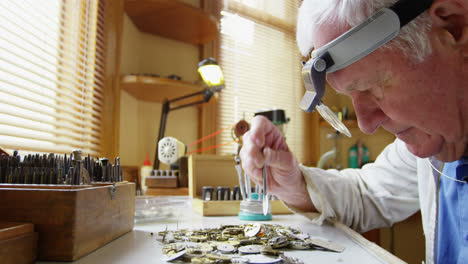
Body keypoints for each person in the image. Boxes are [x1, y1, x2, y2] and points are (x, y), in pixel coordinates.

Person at [239, 0, 468, 263]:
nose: (366, 124)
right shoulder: (435, 142)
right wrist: (292, 184)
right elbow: (367, 194)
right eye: (351, 97)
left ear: (453, 26)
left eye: (372, 87)